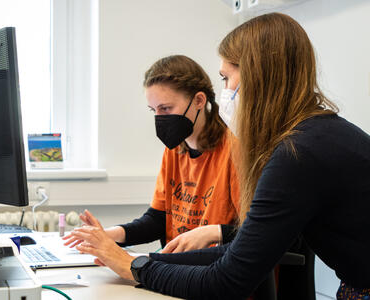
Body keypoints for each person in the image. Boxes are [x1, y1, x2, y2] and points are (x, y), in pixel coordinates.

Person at [69, 13, 370, 300]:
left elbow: (228, 281)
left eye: (226, 77)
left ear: (257, 77)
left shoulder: (298, 153)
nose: (223, 90)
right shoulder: (316, 136)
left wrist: (133, 267)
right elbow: (237, 250)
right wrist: (143, 259)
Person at [63, 55, 240, 254]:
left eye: (166, 108)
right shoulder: (174, 149)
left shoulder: (234, 149)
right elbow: (158, 220)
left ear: (199, 100)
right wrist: (108, 235)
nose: (159, 119)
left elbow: (254, 232)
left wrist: (211, 232)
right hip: (173, 266)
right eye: (153, 110)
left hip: (211, 268)